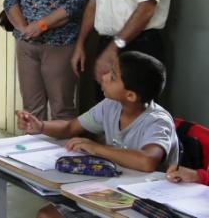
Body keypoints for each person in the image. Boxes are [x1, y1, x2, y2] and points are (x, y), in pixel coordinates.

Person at [18, 52, 179, 218]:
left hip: (142, 202)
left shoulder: (157, 121)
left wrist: (97, 148)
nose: (104, 77)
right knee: (47, 215)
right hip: (111, 190)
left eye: (113, 77)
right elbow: (70, 127)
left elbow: (147, 161)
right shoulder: (111, 105)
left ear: (130, 95)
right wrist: (41, 126)